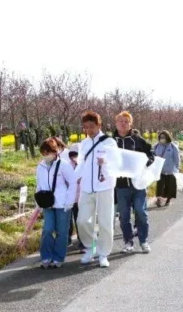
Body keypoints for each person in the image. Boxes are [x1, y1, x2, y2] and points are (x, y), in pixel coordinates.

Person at [76, 111, 121, 268]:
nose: (89, 130)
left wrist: (106, 162)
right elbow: (81, 164)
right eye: (86, 127)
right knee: (82, 220)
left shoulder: (109, 142)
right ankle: (91, 246)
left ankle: (103, 253)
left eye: (92, 126)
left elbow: (117, 163)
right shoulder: (84, 144)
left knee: (105, 222)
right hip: (87, 187)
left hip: (104, 187)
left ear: (99, 125)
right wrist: (74, 179)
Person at [112, 111, 154, 254]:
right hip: (121, 185)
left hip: (138, 183)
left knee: (141, 212)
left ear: (131, 124)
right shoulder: (111, 141)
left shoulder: (137, 140)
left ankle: (143, 240)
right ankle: (128, 241)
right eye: (120, 121)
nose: (123, 124)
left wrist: (146, 163)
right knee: (124, 215)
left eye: (126, 121)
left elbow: (151, 154)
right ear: (116, 123)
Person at [35, 138, 76, 268]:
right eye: (44, 153)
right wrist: (38, 203)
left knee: (62, 231)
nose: (46, 156)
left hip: (62, 203)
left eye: (48, 153)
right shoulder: (40, 166)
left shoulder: (63, 165)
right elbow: (39, 185)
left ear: (55, 151)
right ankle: (46, 256)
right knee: (47, 230)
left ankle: (58, 257)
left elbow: (73, 183)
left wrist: (69, 201)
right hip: (47, 203)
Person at [65, 149, 86, 252]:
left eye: (76, 155)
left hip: (82, 198)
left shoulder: (83, 164)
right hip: (71, 198)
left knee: (80, 221)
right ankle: (68, 240)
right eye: (72, 156)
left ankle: (83, 242)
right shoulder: (67, 165)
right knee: (69, 221)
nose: (74, 157)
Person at [154, 130, 180, 207]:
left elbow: (176, 158)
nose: (162, 139)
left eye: (164, 137)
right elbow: (153, 155)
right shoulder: (157, 146)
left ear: (167, 137)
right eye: (161, 137)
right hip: (160, 170)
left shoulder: (172, 147)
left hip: (170, 170)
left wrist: (177, 167)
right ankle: (159, 199)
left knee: (170, 185)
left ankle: (168, 199)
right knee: (160, 185)